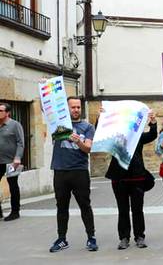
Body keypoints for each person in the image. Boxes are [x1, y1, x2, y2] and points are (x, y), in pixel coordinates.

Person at [49, 96, 98, 253]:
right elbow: (47, 107)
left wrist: (78, 142)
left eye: (78, 107)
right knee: (61, 207)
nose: (76, 110)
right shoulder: (58, 125)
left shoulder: (87, 127)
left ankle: (91, 238)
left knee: (85, 206)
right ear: (67, 108)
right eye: (73, 107)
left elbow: (88, 149)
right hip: (60, 170)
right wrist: (44, 86)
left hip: (79, 171)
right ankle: (62, 239)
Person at [105, 109, 158, 249]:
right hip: (119, 178)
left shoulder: (138, 136)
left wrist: (153, 122)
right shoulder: (114, 136)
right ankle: (124, 238)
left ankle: (140, 236)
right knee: (122, 210)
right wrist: (102, 117)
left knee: (137, 209)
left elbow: (152, 135)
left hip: (137, 177)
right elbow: (101, 132)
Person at [0, 102, 24, 221]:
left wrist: (17, 157)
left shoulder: (15, 125)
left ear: (7, 113)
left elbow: (20, 142)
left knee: (13, 185)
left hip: (11, 161)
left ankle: (15, 211)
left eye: (1, 111)